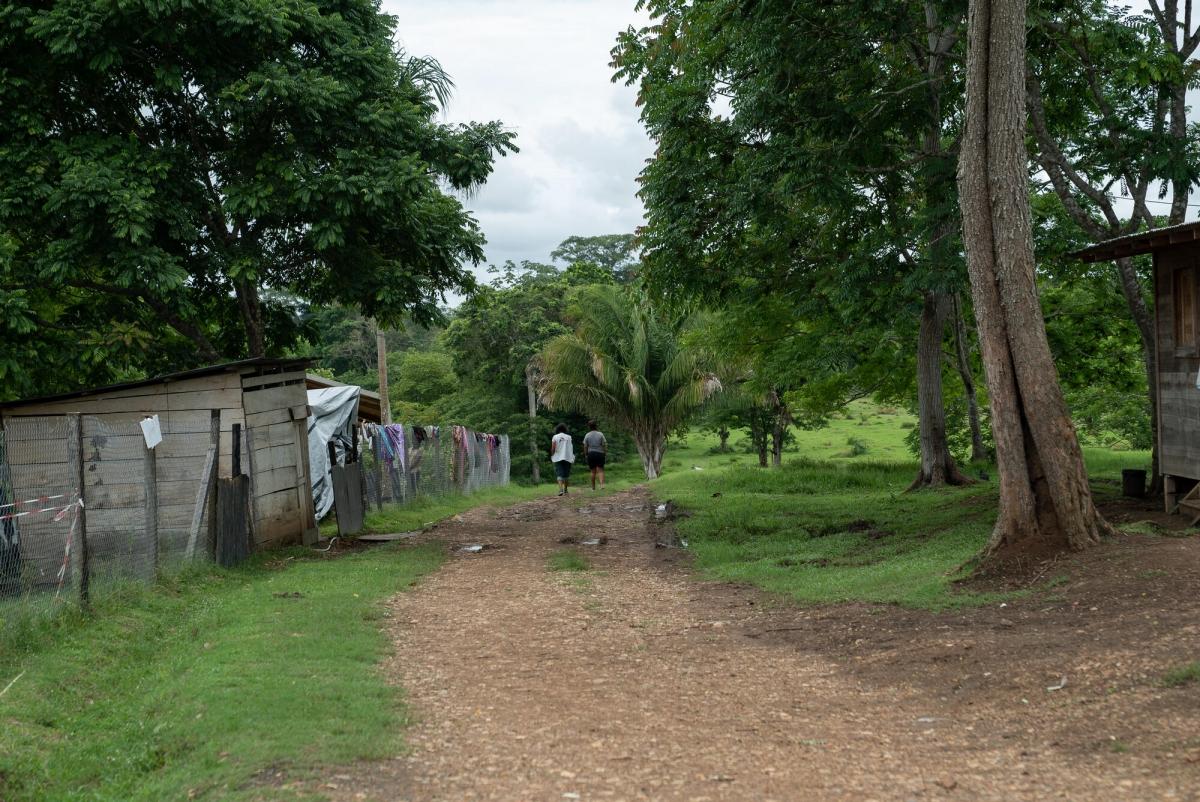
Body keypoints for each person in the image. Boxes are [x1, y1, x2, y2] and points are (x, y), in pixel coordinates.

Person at [549, 423, 575, 496]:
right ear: (565, 429)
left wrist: (552, 455)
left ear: (557, 429)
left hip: (558, 458)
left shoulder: (555, 437)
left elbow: (553, 447)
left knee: (559, 474)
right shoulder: (569, 437)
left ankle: (560, 490)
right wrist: (572, 457)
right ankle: (566, 490)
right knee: (566, 475)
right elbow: (571, 447)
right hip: (567, 457)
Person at [582, 420, 607, 491]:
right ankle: (602, 485)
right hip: (600, 453)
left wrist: (586, 454)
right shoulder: (600, 434)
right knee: (601, 470)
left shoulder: (587, 435)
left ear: (589, 426)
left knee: (593, 471)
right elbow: (604, 444)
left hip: (591, 454)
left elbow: (585, 446)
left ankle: (593, 488)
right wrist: (605, 453)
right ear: (596, 425)